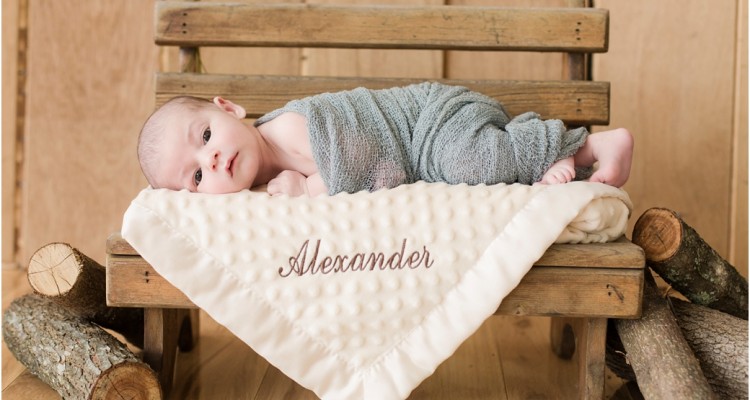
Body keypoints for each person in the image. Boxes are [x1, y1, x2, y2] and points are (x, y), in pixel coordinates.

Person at [137, 82, 632, 196]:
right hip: (427, 151)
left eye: (205, 135)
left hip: (432, 120)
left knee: (468, 163)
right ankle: (555, 161)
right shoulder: (261, 188)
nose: (212, 157)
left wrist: (308, 187)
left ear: (229, 109)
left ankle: (591, 146)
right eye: (196, 175)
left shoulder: (290, 128)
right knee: (469, 169)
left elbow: (366, 164)